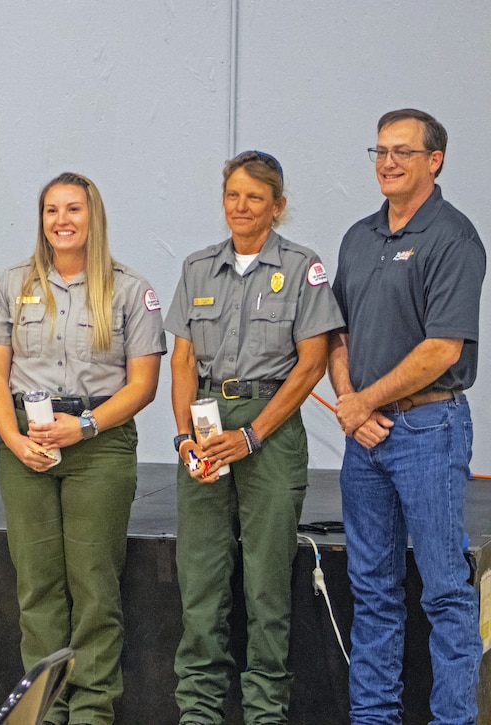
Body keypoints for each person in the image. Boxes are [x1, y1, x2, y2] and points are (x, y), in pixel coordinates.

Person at [165, 151, 344, 724]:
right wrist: (184, 437)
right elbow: (183, 362)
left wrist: (254, 436)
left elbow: (312, 363)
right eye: (233, 195)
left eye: (255, 198)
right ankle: (199, 710)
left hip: (269, 424)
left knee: (266, 584)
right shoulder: (197, 268)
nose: (241, 207)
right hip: (207, 425)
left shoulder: (300, 267)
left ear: (278, 206)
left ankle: (266, 712)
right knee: (201, 578)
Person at [0, 172, 164, 724]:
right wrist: (13, 440)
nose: (61, 220)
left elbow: (143, 385)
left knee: (94, 586)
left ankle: (91, 712)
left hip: (98, 445)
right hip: (26, 443)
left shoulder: (130, 289)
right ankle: (46, 712)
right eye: (51, 210)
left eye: (73, 210)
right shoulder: (12, 284)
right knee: (36, 586)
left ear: (93, 218)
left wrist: (81, 428)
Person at [328, 109, 485, 724]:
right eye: (379, 151)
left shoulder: (453, 237)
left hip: (428, 431)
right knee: (372, 593)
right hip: (363, 437)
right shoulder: (358, 236)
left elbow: (441, 348)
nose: (387, 162)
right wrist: (351, 406)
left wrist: (365, 402)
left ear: (434, 161)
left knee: (446, 592)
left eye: (401, 151)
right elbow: (334, 333)